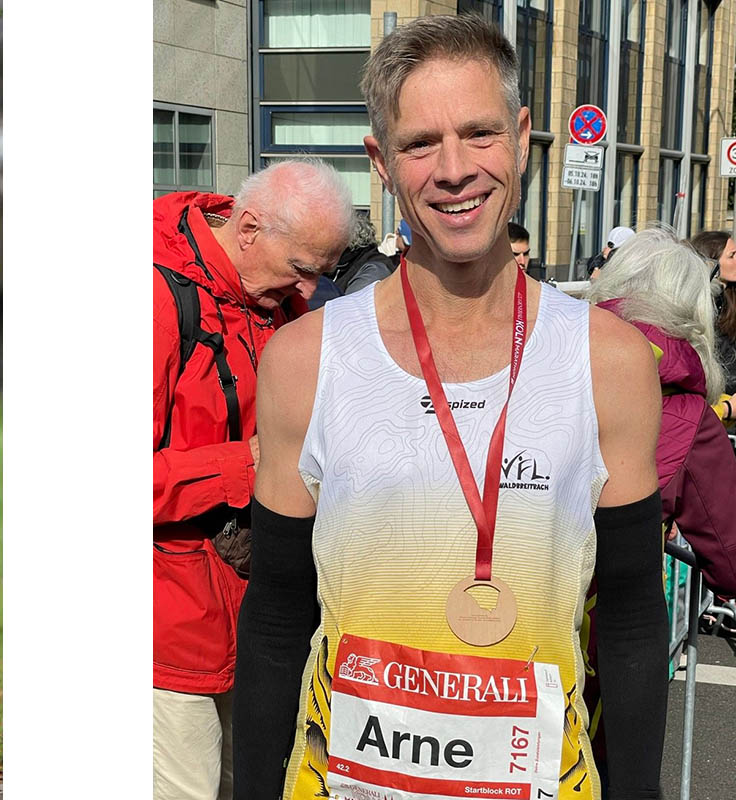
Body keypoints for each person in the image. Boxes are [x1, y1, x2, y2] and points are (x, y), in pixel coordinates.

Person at [233, 15, 666, 800]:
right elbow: (275, 617)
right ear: (382, 164)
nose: (455, 169)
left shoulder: (609, 361)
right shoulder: (304, 360)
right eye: (420, 143)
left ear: (524, 139)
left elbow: (633, 617)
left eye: (479, 133)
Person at [153, 159, 353, 800]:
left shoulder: (277, 303)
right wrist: (249, 463)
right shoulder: (153, 296)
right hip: (168, 626)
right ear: (247, 229)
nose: (311, 288)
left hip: (262, 617)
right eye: (301, 269)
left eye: (322, 274)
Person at [582, 227, 736, 769]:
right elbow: (731, 552)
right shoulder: (688, 410)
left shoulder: (548, 351)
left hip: (491, 598)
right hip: (609, 626)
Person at [690, 230, 736, 408]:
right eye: (732, 255)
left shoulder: (729, 295)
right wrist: (726, 408)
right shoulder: (699, 305)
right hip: (715, 403)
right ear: (711, 262)